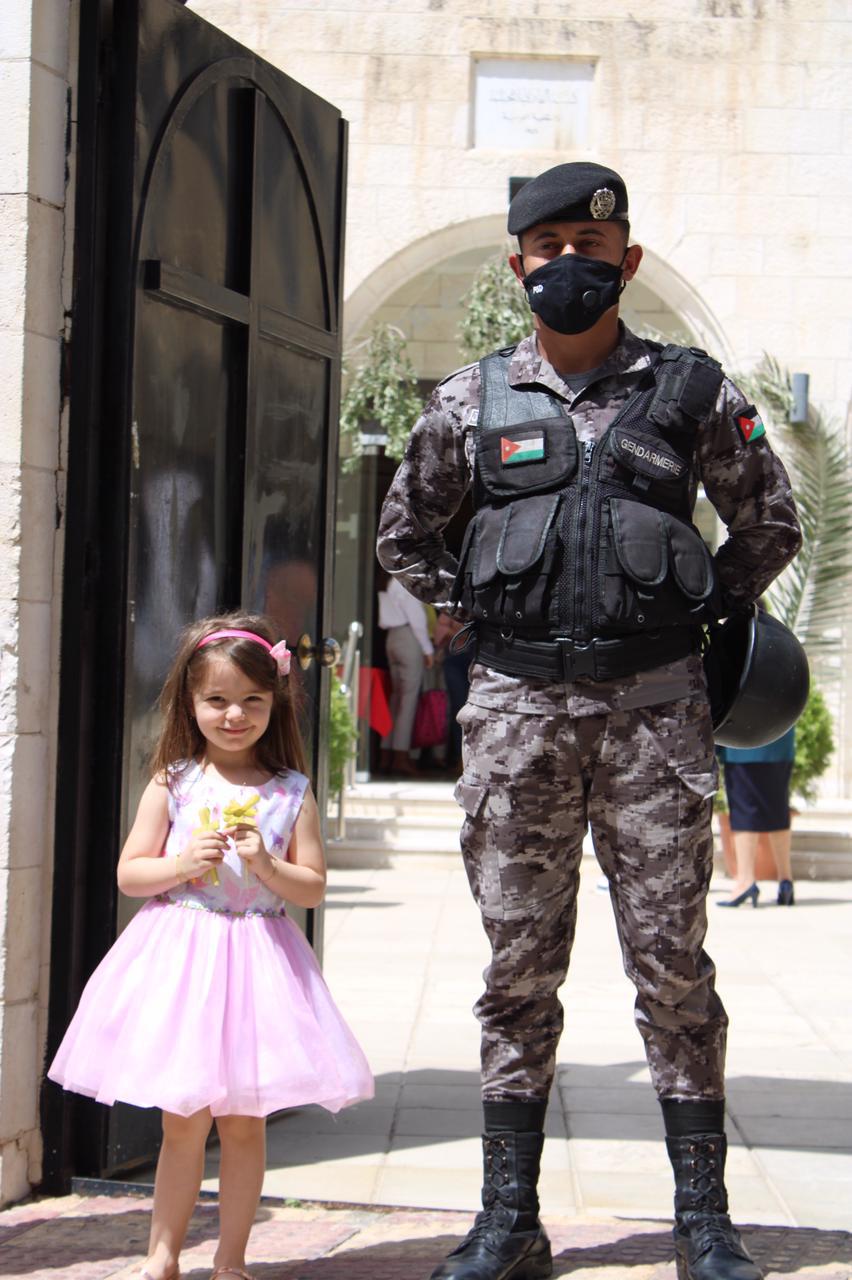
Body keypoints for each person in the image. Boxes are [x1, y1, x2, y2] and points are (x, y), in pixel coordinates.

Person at [377, 162, 802, 1280]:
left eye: (593, 245)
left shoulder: (691, 390)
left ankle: (703, 1222)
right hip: (516, 717)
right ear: (517, 263)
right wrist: (477, 613)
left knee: (673, 968)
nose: (571, 262)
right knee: (517, 972)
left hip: (654, 717)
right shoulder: (470, 401)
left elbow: (769, 523)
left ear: (629, 260)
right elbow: (403, 534)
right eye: (550, 245)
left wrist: (696, 614)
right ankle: (508, 1219)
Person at [48, 613, 373, 1280]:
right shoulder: (173, 781)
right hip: (182, 962)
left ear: (274, 703)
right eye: (217, 700)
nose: (234, 715)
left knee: (245, 1124)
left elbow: (312, 887)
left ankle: (231, 1260)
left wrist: (267, 866)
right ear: (190, 702)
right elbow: (130, 873)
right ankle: (162, 1256)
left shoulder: (290, 792)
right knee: (183, 1121)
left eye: (252, 700)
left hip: (258, 965)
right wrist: (180, 864)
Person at [718, 727, 796, 908]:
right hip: (780, 739)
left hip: (744, 741)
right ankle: (786, 881)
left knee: (745, 809)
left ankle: (745, 881)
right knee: (778, 808)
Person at [377, 569, 435, 775]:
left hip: (392, 638)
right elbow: (417, 620)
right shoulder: (406, 583)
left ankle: (386, 754)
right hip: (408, 638)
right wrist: (428, 650)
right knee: (407, 700)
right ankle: (400, 757)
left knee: (396, 699)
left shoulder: (390, 582)